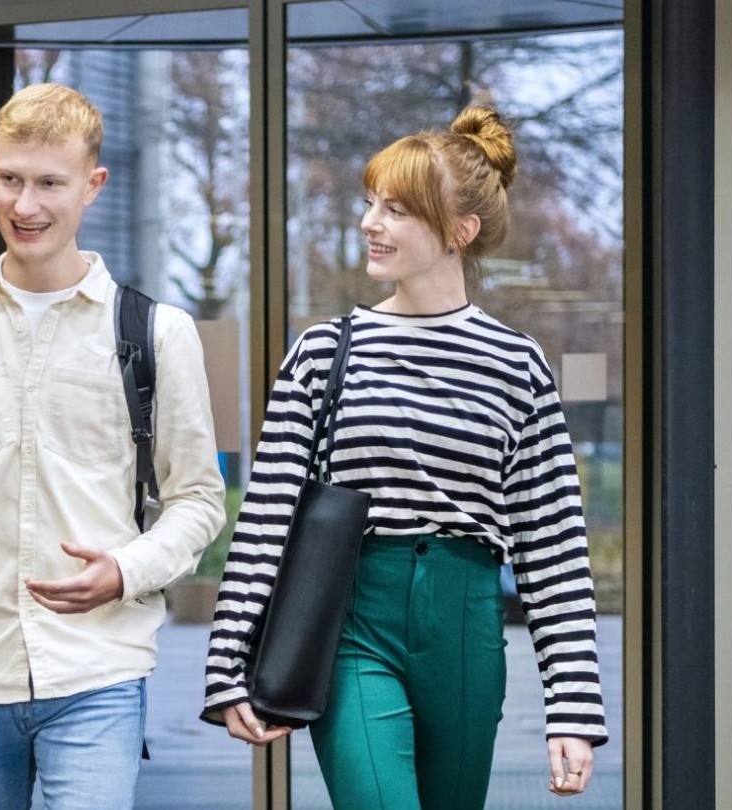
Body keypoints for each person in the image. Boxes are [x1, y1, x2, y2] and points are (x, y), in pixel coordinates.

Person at [202, 107, 609, 807]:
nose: (370, 223)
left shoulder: (517, 365)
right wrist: (227, 663)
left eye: (397, 209)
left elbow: (554, 547)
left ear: (460, 231)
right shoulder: (323, 353)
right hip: (355, 620)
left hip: (466, 624)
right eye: (370, 204)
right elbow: (267, 514)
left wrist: (572, 711)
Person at [0, 83, 227, 809]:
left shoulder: (156, 333)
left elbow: (197, 501)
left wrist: (125, 569)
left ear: (93, 185)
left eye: (49, 184)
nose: (24, 206)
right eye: (10, 179)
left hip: (98, 669)